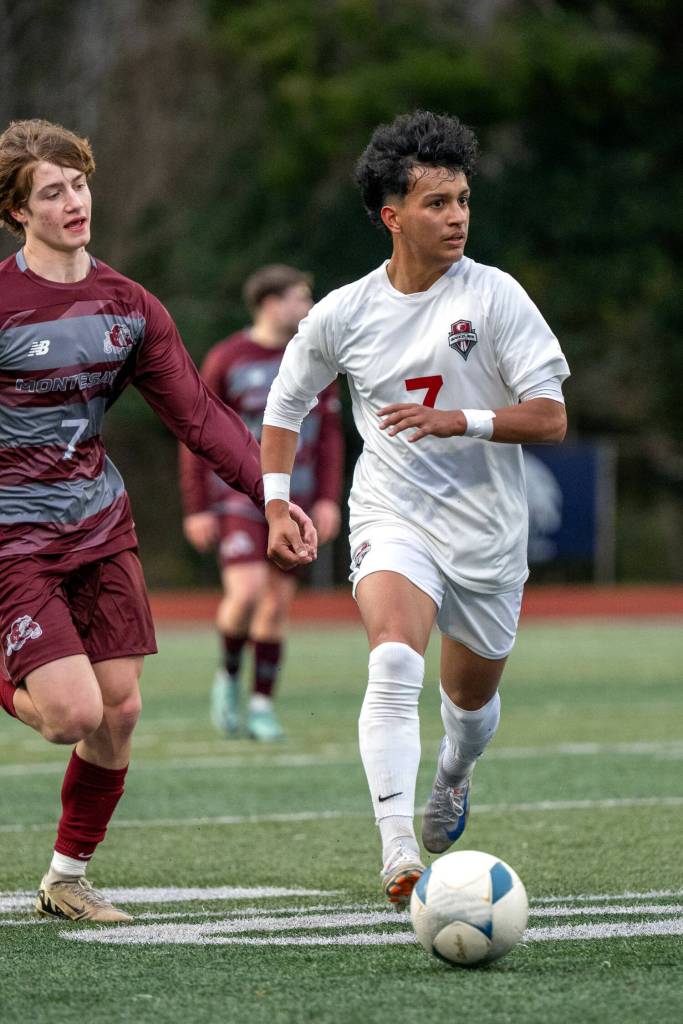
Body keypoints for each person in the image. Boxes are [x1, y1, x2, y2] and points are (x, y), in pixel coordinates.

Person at [0, 118, 315, 923]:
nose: (74, 202)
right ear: (16, 212)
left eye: (79, 183)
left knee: (121, 709)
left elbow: (201, 419)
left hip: (99, 525)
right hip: (12, 540)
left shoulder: (127, 305)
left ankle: (66, 878)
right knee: (70, 713)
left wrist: (271, 496)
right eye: (52, 192)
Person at [260, 110, 569, 908]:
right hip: (392, 511)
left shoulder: (495, 296)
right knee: (394, 656)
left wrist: (458, 419)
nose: (457, 216)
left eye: (462, 199)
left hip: (488, 533)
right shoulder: (343, 312)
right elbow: (285, 405)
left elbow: (550, 416)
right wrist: (276, 502)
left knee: (468, 708)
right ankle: (398, 849)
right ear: (392, 215)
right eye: (437, 203)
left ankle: (453, 774)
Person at [179, 265, 344, 741]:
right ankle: (229, 676)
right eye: (300, 297)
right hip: (236, 498)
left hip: (298, 499)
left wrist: (329, 499)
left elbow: (331, 435)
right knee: (247, 594)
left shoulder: (315, 357)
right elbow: (198, 433)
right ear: (271, 303)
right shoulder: (228, 357)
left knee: (275, 605)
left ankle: (262, 706)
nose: (309, 308)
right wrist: (196, 507)